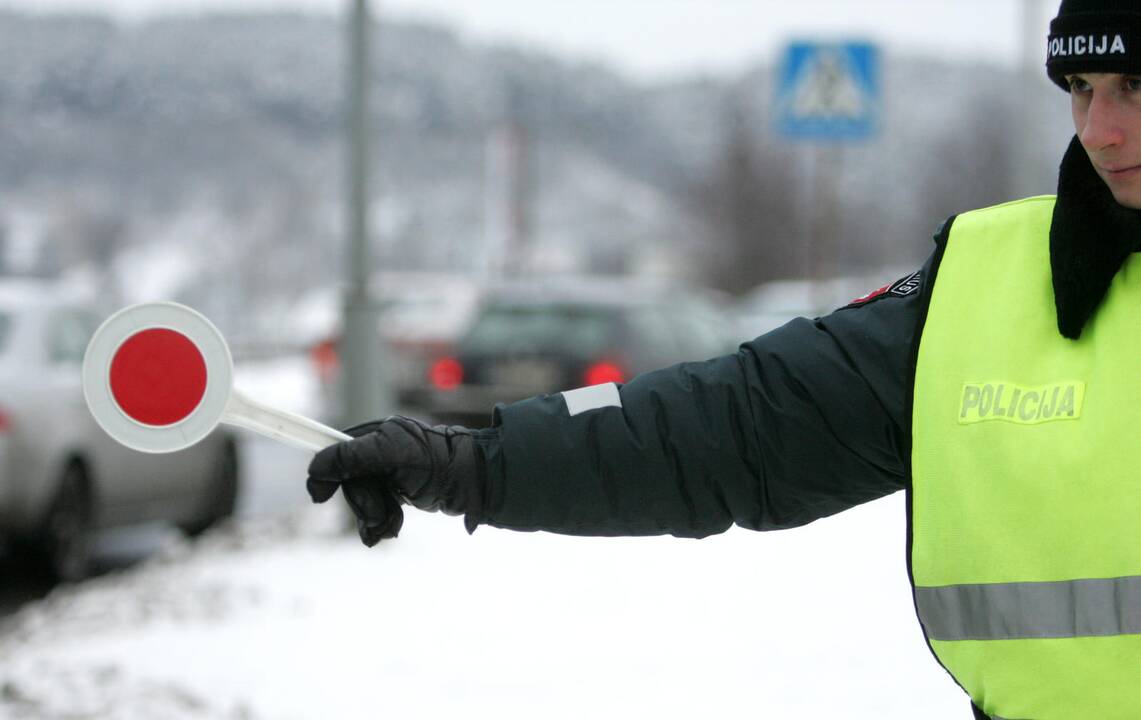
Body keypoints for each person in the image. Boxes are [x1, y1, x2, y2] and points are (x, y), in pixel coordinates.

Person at [305, 2, 1141, 717]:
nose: (1100, 130)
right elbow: (729, 421)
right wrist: (472, 459)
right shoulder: (986, 285)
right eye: (1081, 89)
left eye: (1134, 86)